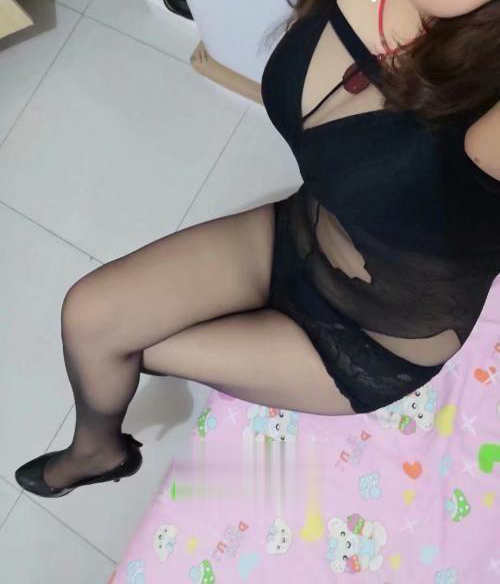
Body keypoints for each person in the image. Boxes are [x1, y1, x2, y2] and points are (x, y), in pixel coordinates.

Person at [15, 0, 499, 497]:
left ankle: (97, 451)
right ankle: (97, 452)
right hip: (298, 234)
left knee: (134, 348)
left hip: (375, 338)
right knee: (91, 320)